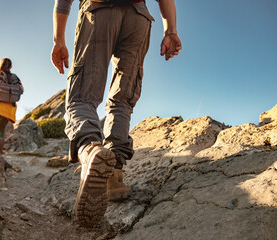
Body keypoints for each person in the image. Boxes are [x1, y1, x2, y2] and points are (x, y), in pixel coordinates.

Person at [51, 0, 182, 226]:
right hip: (138, 17)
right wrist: (170, 31)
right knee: (122, 99)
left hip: (99, 9)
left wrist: (58, 39)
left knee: (82, 95)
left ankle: (91, 149)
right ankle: (113, 175)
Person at [0, 58, 24, 153]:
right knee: (2, 127)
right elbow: (22, 89)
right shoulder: (14, 77)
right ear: (11, 66)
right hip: (10, 106)